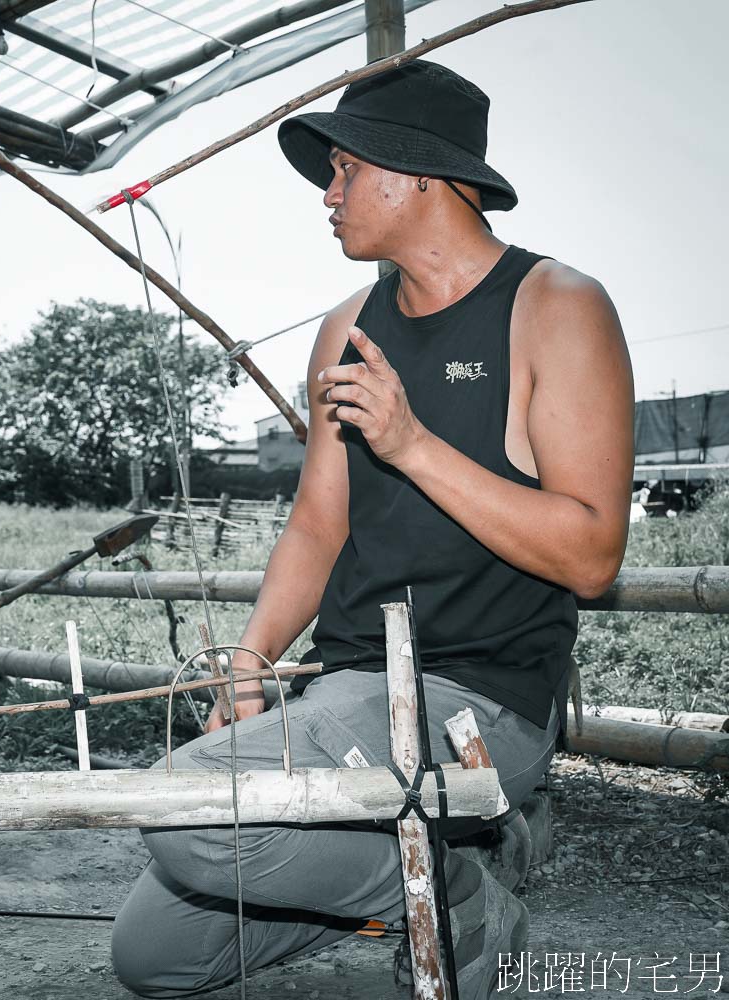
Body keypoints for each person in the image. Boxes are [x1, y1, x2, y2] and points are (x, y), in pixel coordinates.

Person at [111, 60, 634, 999]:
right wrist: (253, 656)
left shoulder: (557, 308)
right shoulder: (347, 326)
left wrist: (413, 443)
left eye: (347, 169)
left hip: (481, 696)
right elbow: (319, 521)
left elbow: (593, 556)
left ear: (420, 175)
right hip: (344, 691)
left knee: (188, 810)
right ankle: (436, 866)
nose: (329, 193)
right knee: (156, 957)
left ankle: (459, 888)